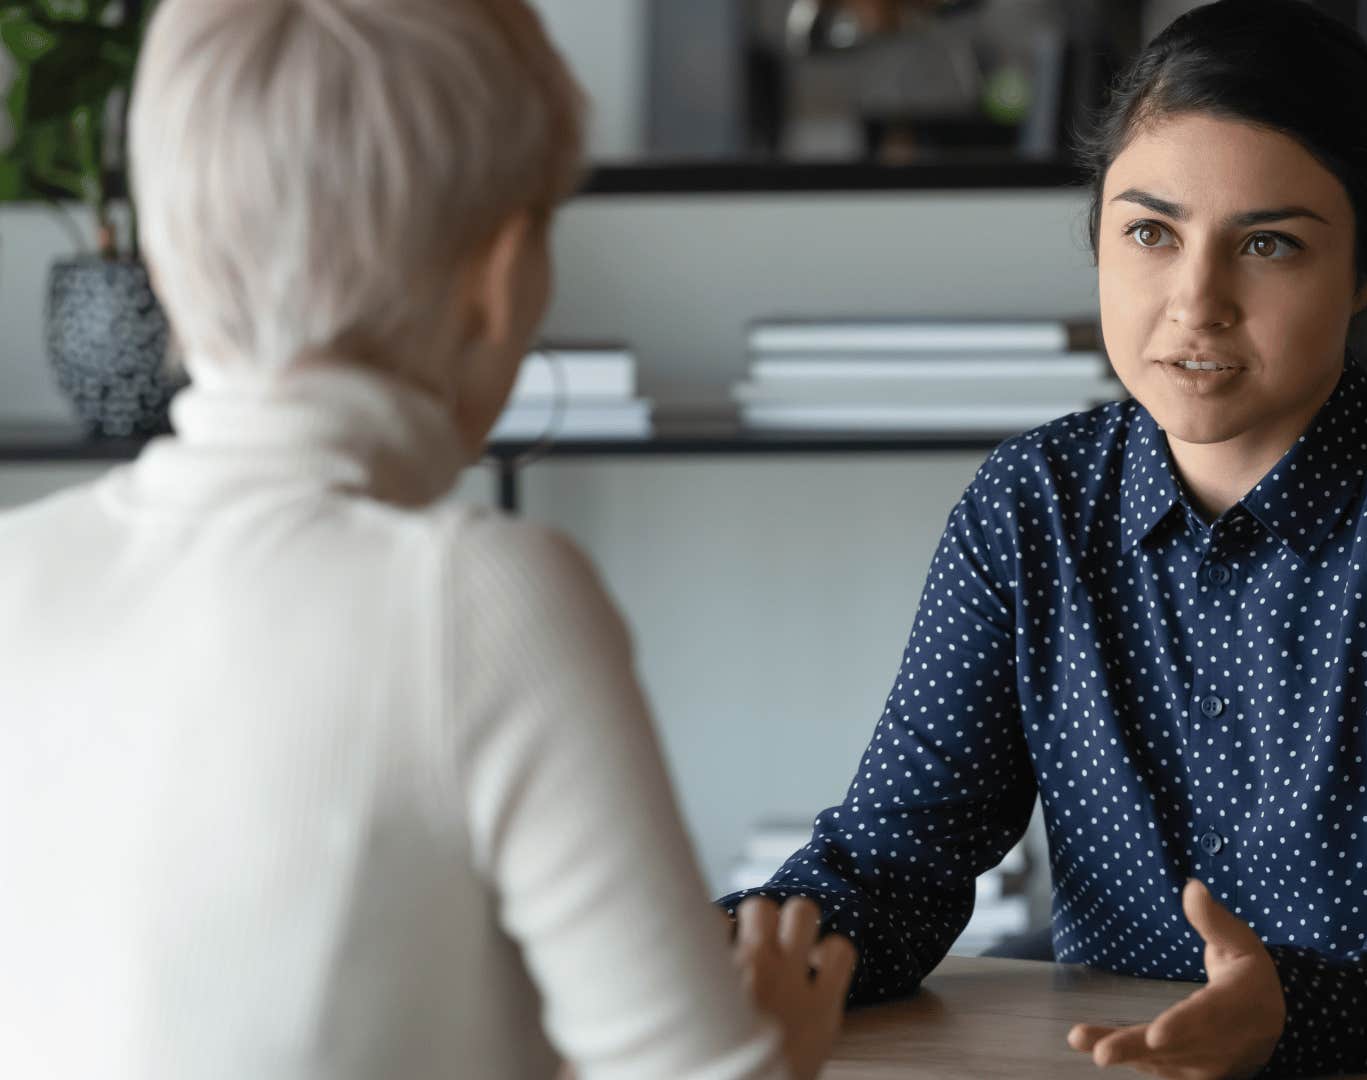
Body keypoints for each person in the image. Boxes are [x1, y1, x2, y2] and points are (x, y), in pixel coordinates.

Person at [719, 2, 1367, 1076]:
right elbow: (894, 865)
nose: (1195, 304)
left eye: (1269, 245)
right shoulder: (1030, 508)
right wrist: (708, 950)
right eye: (1151, 233)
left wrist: (1298, 1010)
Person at [0, 2, 849, 1077]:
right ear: (501, 281)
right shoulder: (481, 597)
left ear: (167, 253)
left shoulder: (13, 573)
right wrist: (781, 1038)